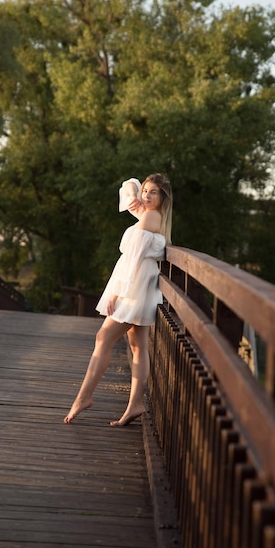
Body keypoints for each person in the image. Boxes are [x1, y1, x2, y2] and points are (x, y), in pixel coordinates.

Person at [63, 173, 173, 426]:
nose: (145, 195)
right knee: (137, 346)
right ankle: (135, 403)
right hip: (142, 284)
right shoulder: (151, 216)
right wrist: (138, 198)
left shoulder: (150, 216)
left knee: (103, 337)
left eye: (153, 192)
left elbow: (133, 259)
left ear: (163, 196)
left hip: (134, 286)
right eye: (145, 191)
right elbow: (129, 187)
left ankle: (84, 397)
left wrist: (117, 292)